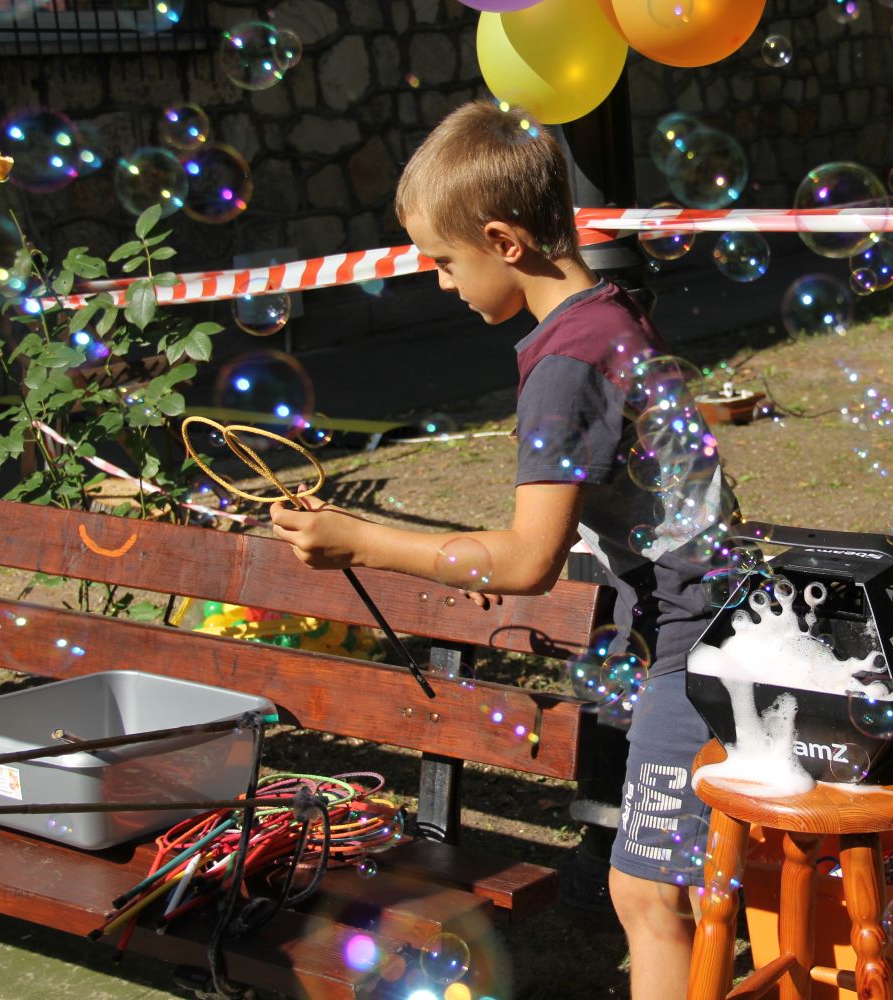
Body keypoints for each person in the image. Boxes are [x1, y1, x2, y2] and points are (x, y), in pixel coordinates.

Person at [269, 100, 738, 1000]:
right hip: (690, 616)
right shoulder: (605, 310)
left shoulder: (566, 363)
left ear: (503, 239)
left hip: (693, 634)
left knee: (647, 894)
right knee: (654, 885)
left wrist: (357, 539)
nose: (443, 283)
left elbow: (527, 562)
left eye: (446, 261)